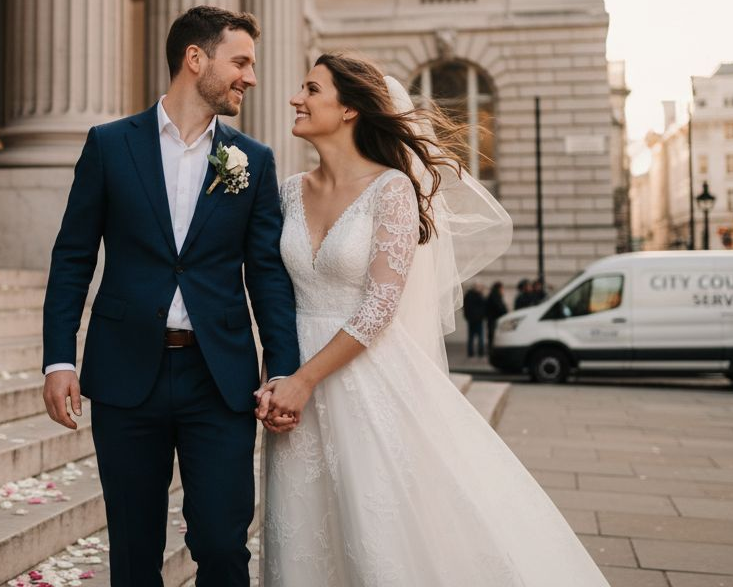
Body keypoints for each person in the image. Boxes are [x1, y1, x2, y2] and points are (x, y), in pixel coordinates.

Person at [256, 52, 609, 586]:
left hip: (363, 380)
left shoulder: (392, 189)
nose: (294, 99)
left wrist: (304, 381)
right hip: (291, 382)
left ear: (349, 108)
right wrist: (279, 376)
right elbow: (272, 290)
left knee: (375, 532)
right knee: (302, 530)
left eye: (310, 89)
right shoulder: (286, 190)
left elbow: (379, 306)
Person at [42, 6, 301, 586]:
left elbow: (266, 275)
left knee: (223, 543)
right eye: (241, 61)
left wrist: (282, 369)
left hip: (220, 380)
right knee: (134, 553)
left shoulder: (252, 162)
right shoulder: (109, 145)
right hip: (125, 376)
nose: (250, 77)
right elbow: (73, 257)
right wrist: (60, 357)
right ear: (195, 59)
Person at [463, 282, 488, 357]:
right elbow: (484, 306)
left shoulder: (468, 295)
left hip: (471, 319)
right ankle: (480, 352)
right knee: (480, 337)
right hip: (478, 320)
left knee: (471, 337)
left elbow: (465, 307)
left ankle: (470, 352)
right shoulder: (479, 295)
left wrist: (467, 317)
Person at [486, 281, 508, 350]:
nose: (502, 290)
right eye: (502, 288)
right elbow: (499, 307)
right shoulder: (495, 296)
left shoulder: (493, 295)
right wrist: (505, 312)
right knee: (493, 336)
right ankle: (492, 350)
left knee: (492, 336)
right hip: (494, 319)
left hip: (492, 319)